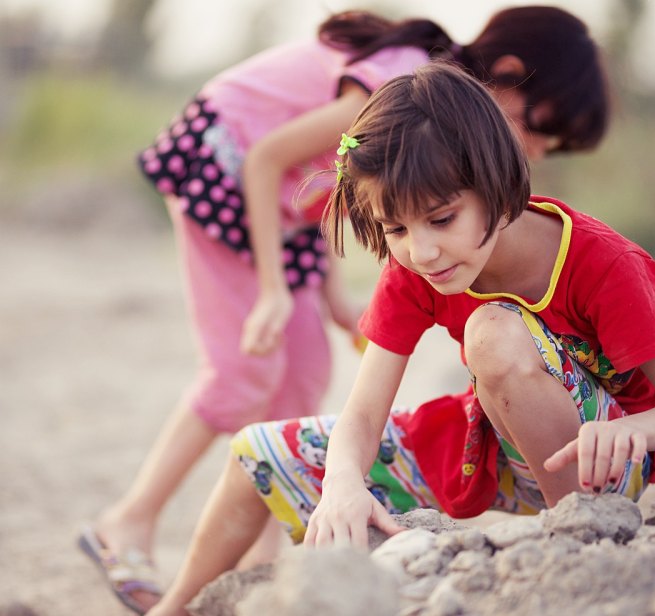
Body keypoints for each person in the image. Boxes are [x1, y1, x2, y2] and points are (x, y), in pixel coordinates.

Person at [80, 6, 612, 614]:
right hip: (227, 176)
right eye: (541, 128)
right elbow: (269, 161)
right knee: (244, 371)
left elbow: (337, 191)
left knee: (305, 372)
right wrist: (276, 292)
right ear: (513, 73)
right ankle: (127, 521)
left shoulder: (440, 118)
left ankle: (258, 561)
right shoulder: (406, 90)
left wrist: (333, 301)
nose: (538, 150)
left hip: (289, 217)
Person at [144, 61, 655, 615]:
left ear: (495, 184)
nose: (422, 251)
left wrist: (629, 432)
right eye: (396, 228)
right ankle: (171, 610)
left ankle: (573, 542)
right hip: (486, 446)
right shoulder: (418, 270)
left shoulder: (603, 263)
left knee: (490, 329)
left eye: (442, 219)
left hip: (600, 461)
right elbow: (363, 418)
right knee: (255, 457)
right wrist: (342, 483)